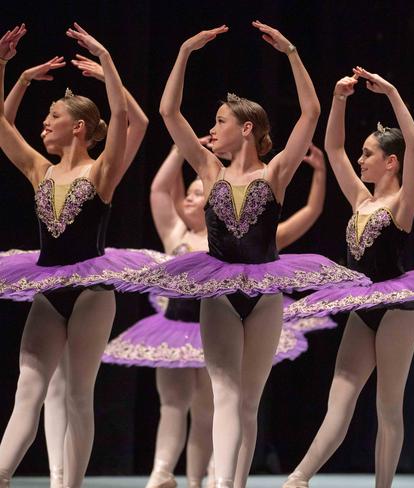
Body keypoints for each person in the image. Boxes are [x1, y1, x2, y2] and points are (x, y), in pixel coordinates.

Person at [117, 22, 367, 488]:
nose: (212, 130)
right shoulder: (209, 169)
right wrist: (186, 51)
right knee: (226, 392)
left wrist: (292, 52)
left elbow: (311, 111)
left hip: (266, 290)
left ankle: (234, 482)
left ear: (246, 128)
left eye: (219, 122)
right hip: (217, 289)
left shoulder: (275, 173)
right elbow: (169, 112)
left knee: (248, 400)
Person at [282, 68, 414, 488]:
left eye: (368, 154)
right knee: (339, 399)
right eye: (361, 154)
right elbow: (334, 146)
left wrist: (393, 91)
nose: (360, 160)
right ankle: (299, 477)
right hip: (362, 308)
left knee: (387, 406)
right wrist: (339, 99)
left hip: (397, 309)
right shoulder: (360, 200)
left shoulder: (403, 203)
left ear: (390, 162)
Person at [102, 142, 334, 488]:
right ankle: (162, 472)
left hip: (218, 321)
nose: (191, 199)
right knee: (173, 404)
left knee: (212, 409)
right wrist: (181, 148)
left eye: (199, 193)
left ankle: (210, 476)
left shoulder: (230, 240)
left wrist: (317, 175)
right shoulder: (175, 233)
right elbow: (159, 189)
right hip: (176, 330)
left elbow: (309, 214)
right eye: (190, 194)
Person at [0, 23, 155, 487]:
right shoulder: (39, 169)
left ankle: (69, 485)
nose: (44, 123)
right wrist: (11, 70)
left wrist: (106, 60)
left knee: (77, 397)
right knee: (28, 388)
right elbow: (1, 127)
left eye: (53, 117)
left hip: (90, 291)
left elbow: (130, 121)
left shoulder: (101, 170)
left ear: (79, 127)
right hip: (48, 288)